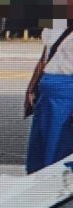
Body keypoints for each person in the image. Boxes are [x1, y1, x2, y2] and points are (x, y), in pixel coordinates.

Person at [24, 19, 73, 173]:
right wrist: (30, 89)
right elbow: (44, 59)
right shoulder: (55, 24)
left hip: (67, 96)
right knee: (42, 147)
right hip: (46, 95)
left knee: (60, 147)